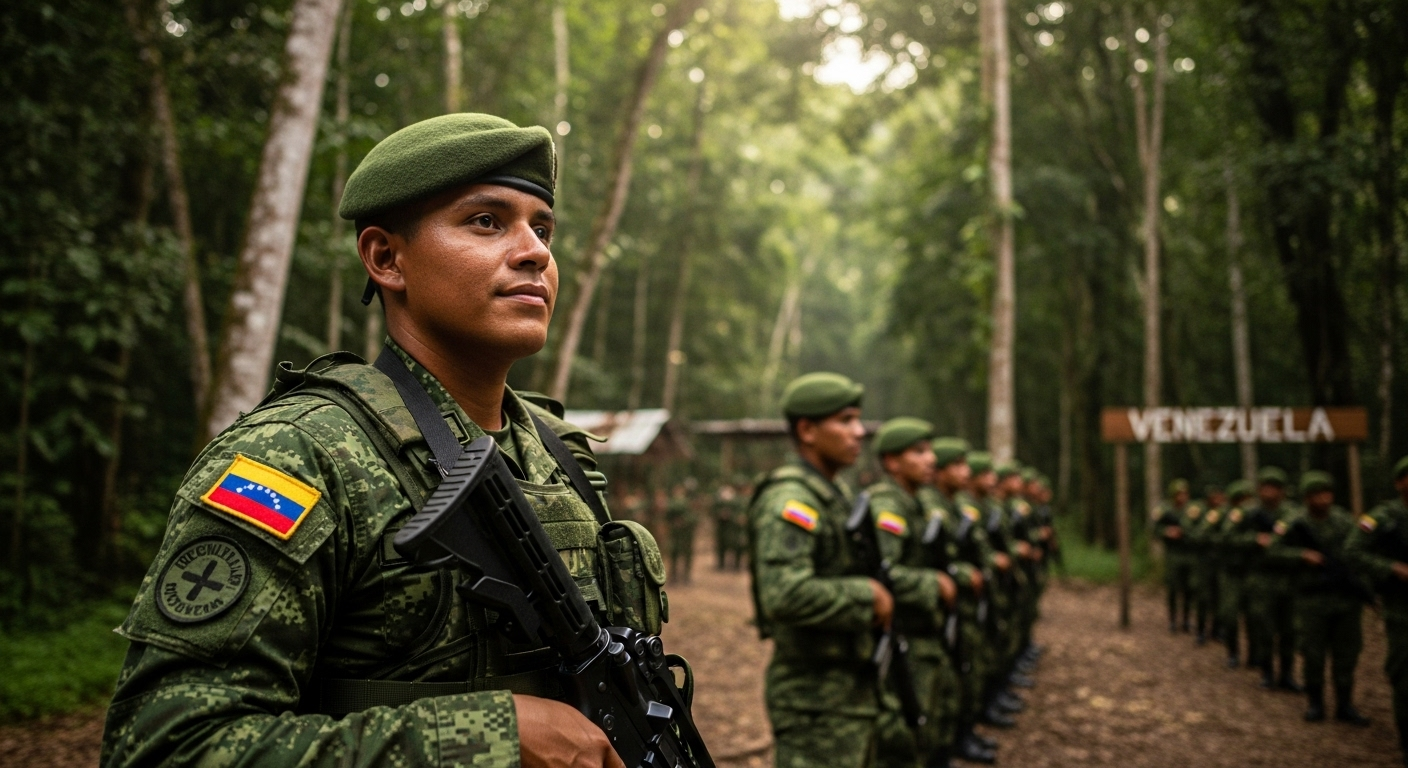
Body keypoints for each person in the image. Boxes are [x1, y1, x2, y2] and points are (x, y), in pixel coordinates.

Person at [101, 114, 658, 767]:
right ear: (386, 259)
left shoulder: (562, 453)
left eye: (542, 227)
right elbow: (165, 744)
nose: (535, 250)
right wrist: (482, 741)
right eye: (486, 221)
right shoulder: (299, 454)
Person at [747, 373, 940, 768]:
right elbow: (783, 593)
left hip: (848, 690)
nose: (858, 433)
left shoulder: (835, 494)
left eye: (858, 421)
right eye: (846, 420)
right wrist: (867, 596)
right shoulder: (792, 498)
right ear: (807, 430)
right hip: (815, 699)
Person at [867, 418, 959, 768]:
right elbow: (884, 575)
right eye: (919, 452)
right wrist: (932, 584)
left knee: (923, 730)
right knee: (901, 740)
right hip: (904, 638)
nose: (931, 460)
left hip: (922, 635)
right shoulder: (888, 506)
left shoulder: (914, 502)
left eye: (930, 451)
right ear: (892, 462)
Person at [1268, 470, 1370, 724]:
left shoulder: (1344, 521)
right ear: (1306, 498)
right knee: (1313, 654)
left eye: (1327, 494)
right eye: (1317, 495)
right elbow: (1272, 550)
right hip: (1310, 600)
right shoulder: (1293, 523)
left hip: (1345, 600)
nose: (1323, 499)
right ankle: (1315, 703)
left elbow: (1359, 553)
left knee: (1346, 654)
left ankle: (1345, 705)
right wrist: (1301, 555)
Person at [919, 439, 998, 764]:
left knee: (962, 675)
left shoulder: (951, 505)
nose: (966, 473)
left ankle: (960, 736)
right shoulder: (928, 505)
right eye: (958, 465)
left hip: (958, 605)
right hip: (936, 611)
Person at [1345, 455, 1408, 762]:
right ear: (1400, 483)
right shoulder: (1383, 517)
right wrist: (1391, 568)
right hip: (1401, 608)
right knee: (1404, 675)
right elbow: (1353, 550)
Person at [1237, 466, 1303, 691]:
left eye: (1274, 488)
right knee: (1262, 627)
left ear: (1283, 491)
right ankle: (1266, 671)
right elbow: (1226, 537)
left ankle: (1287, 674)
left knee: (1289, 629)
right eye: (1265, 487)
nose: (1269, 492)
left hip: (1288, 578)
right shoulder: (1248, 513)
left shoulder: (1294, 514)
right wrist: (1254, 539)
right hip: (1260, 578)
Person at [1214, 480, 1256, 668]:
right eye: (1241, 500)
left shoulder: (1258, 515)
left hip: (1253, 573)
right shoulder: (1226, 516)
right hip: (1231, 572)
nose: (1244, 504)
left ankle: (1255, 655)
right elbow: (1221, 537)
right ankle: (1233, 652)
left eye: (1247, 499)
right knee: (1229, 615)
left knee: (1255, 617)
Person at [1153, 479, 1199, 633]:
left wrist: (1185, 532)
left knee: (1189, 588)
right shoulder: (1165, 509)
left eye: (1184, 494)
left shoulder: (1193, 510)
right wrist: (1166, 532)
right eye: (1178, 494)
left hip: (1189, 553)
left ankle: (1186, 620)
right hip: (1173, 554)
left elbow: (1201, 530)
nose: (1181, 497)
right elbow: (1154, 528)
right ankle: (1172, 620)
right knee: (1173, 587)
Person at [1189, 485, 1226, 645]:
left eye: (1220, 496)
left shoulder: (1226, 513)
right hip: (1203, 562)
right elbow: (1197, 536)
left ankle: (1216, 630)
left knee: (1219, 598)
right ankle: (1201, 631)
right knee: (1203, 598)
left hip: (1221, 562)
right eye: (1215, 497)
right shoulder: (1201, 512)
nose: (1218, 500)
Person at [666, 483, 698, 584]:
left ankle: (686, 575)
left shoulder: (689, 503)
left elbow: (694, 517)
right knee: (674, 553)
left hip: (686, 534)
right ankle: (673, 575)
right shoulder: (671, 503)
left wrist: (684, 521)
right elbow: (667, 517)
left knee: (687, 554)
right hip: (675, 533)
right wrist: (674, 522)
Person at [711, 482, 743, 571]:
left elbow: (740, 514)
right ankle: (721, 564)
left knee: (736, 546)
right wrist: (720, 515)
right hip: (722, 527)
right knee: (721, 546)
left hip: (733, 528)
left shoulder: (737, 501)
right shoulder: (718, 500)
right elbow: (713, 512)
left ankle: (736, 565)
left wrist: (731, 516)